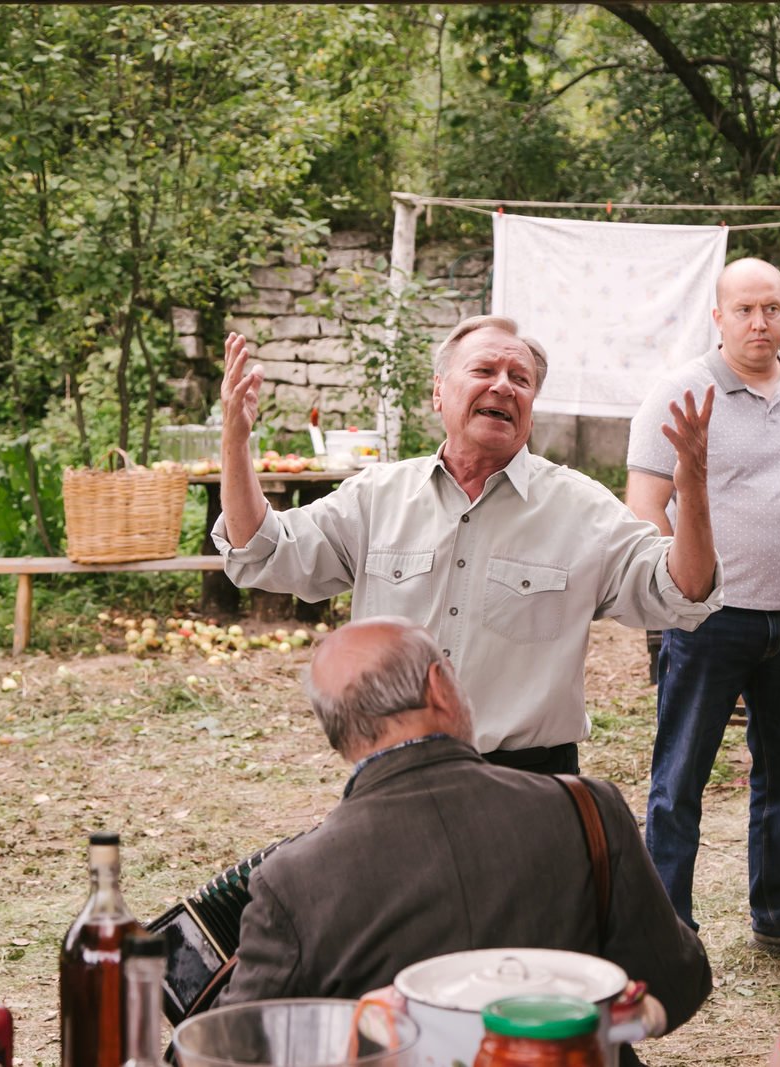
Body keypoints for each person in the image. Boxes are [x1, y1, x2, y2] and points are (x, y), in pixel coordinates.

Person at [213, 316, 723, 775]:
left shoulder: (581, 509)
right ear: (439, 391)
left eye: (520, 379)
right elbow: (263, 552)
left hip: (528, 779)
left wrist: (693, 490)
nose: (503, 386)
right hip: (393, 771)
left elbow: (681, 594)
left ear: (531, 406)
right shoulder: (376, 498)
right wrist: (235, 443)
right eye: (483, 370)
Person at [217, 617, 713, 1045]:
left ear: (336, 730)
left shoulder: (291, 880)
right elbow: (676, 982)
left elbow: (231, 1047)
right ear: (438, 686)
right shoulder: (586, 808)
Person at [627, 257, 780, 957]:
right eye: (745, 310)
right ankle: (668, 928)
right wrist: (684, 596)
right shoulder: (679, 392)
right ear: (718, 317)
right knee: (680, 778)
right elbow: (644, 506)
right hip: (708, 621)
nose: (760, 322)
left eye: (772, 308)